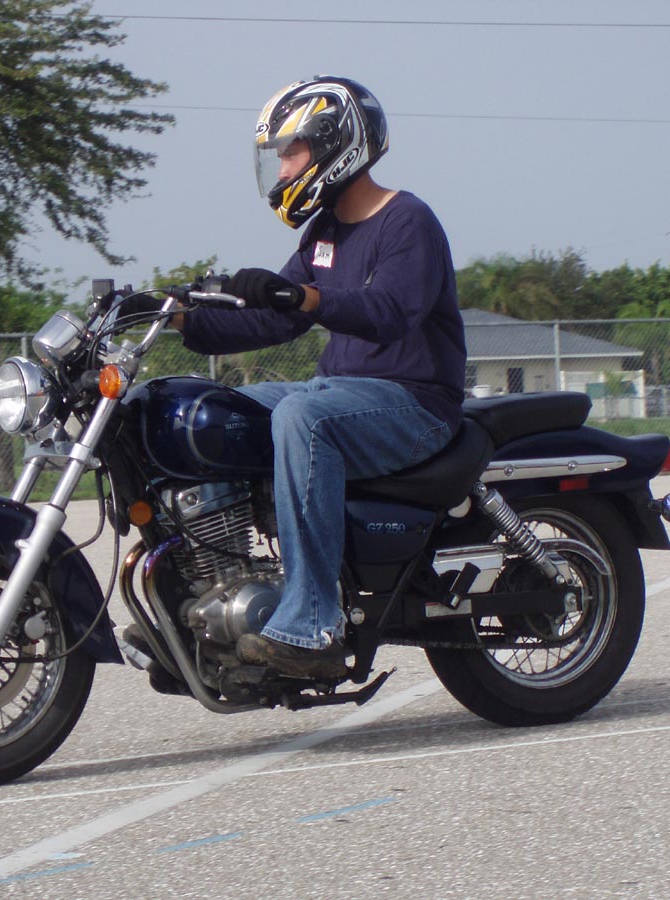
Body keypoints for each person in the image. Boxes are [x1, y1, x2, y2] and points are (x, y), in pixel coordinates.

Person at [175, 76, 467, 678]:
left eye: (292, 152)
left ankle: (314, 622)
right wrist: (183, 319)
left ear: (337, 145)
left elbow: (391, 312)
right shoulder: (324, 233)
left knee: (300, 418)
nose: (283, 169)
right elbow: (272, 318)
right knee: (212, 411)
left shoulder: (407, 220)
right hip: (340, 394)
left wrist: (303, 296)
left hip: (414, 403)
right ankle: (206, 600)